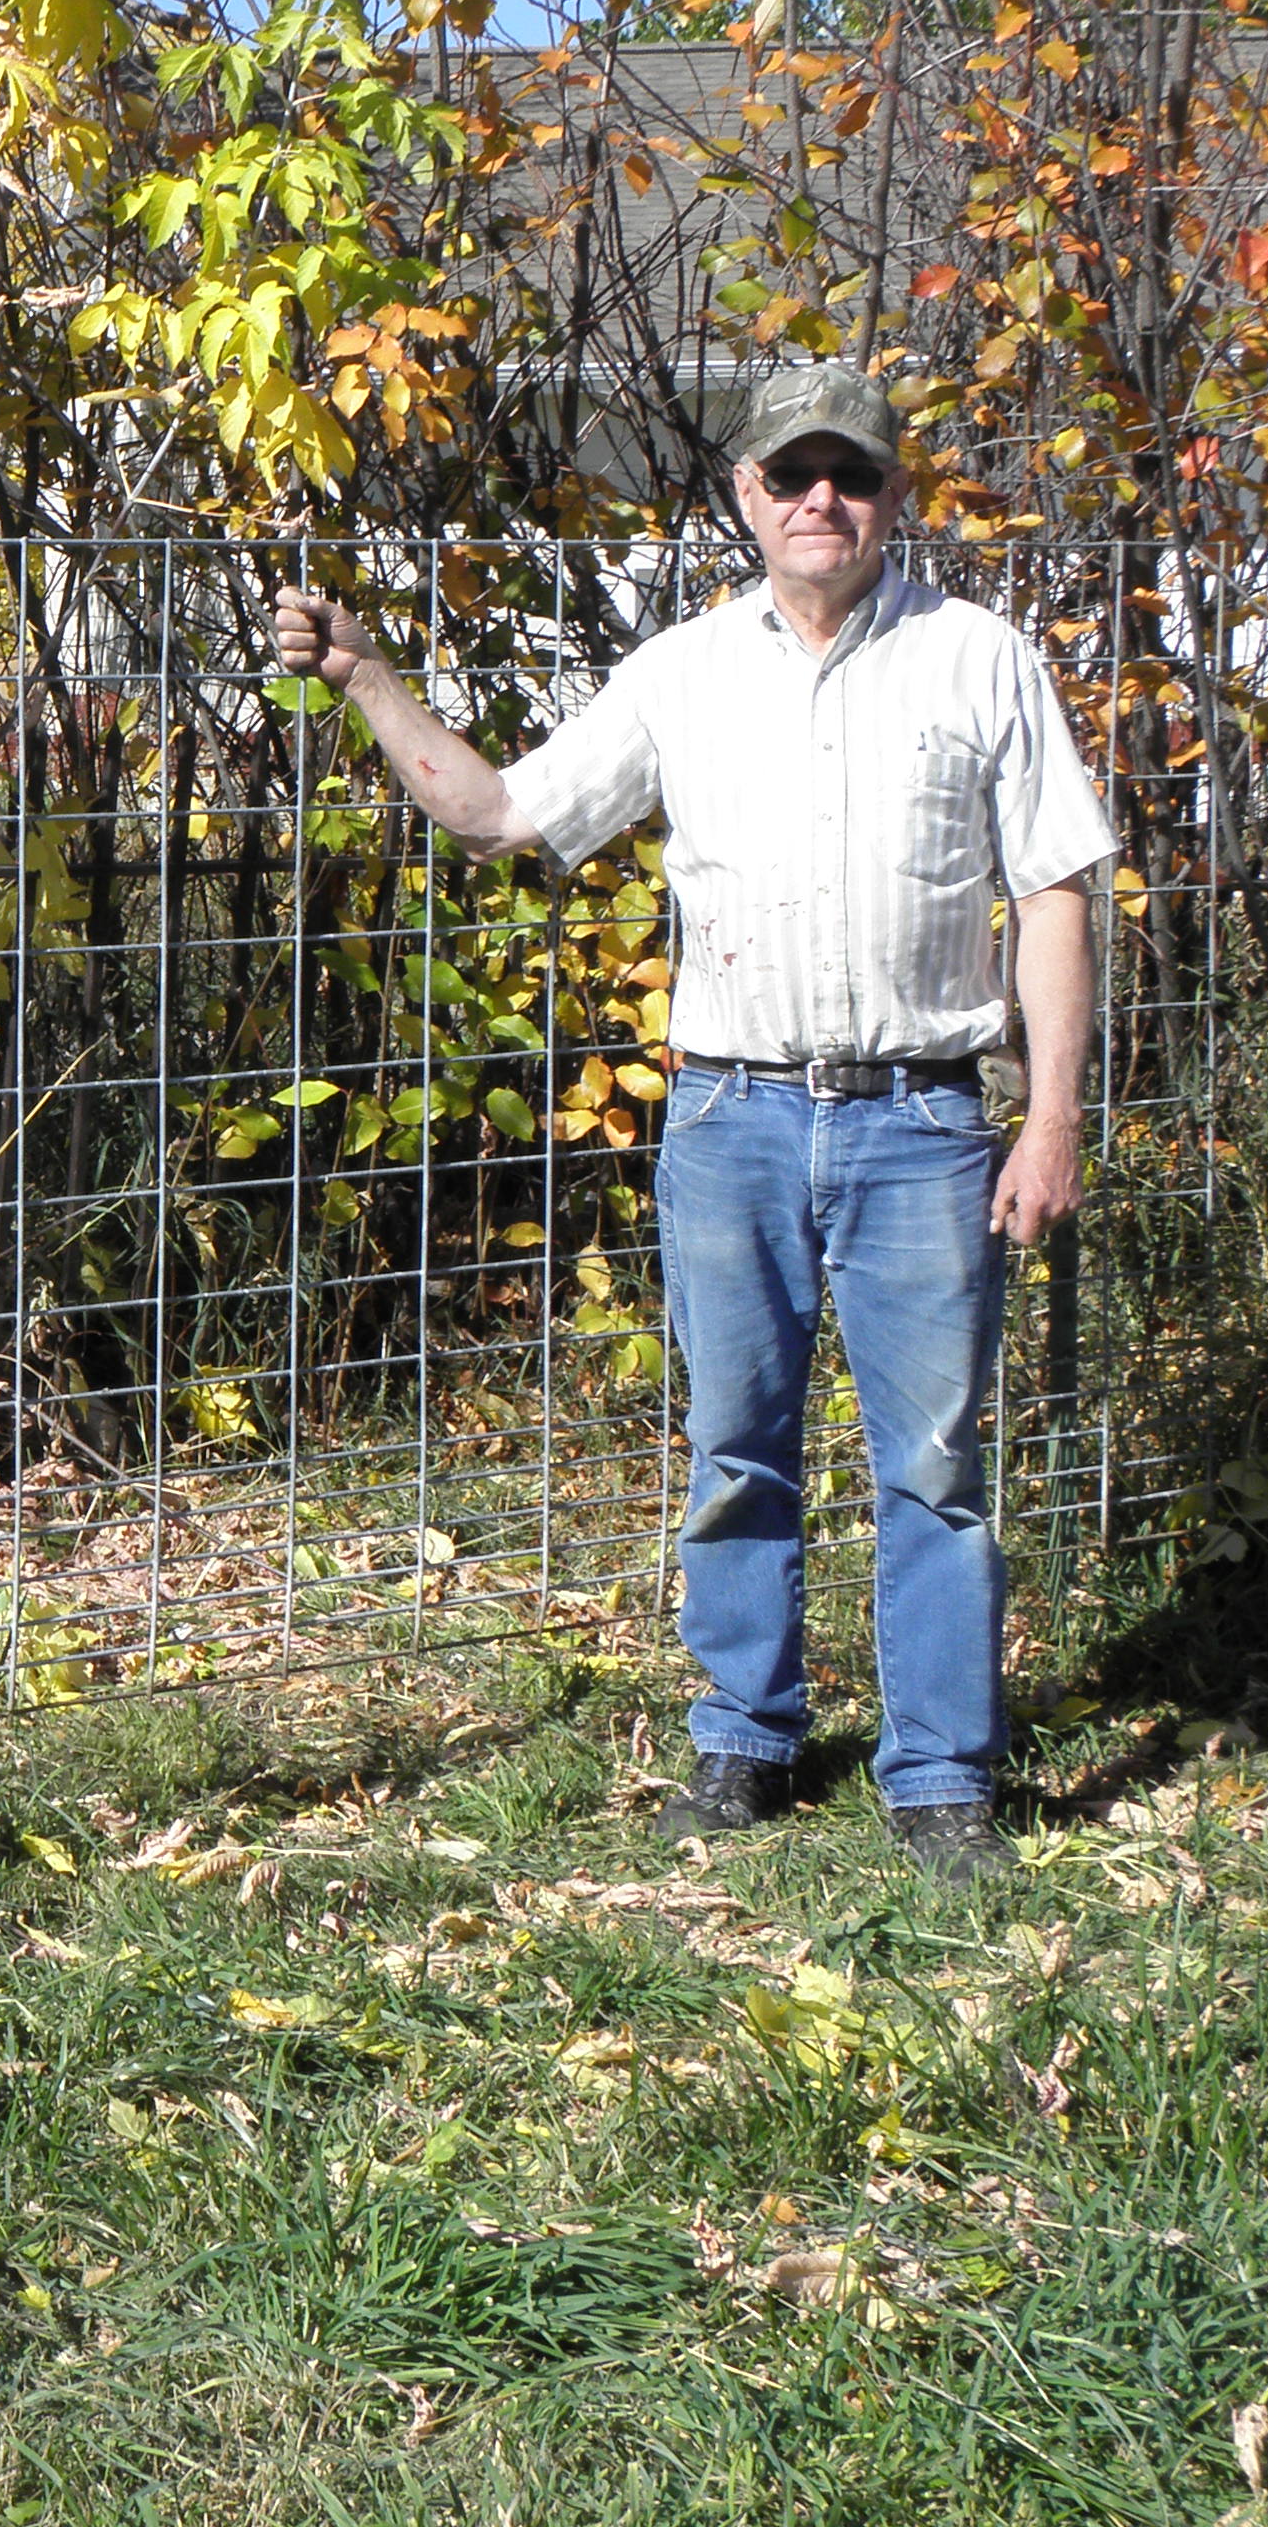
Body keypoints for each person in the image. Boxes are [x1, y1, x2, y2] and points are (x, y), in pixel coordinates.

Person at [268, 364, 1116, 1889]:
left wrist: (1050, 1115)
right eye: (791, 474)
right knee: (737, 1448)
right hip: (729, 1118)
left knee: (934, 1466)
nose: (820, 500)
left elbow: (1056, 887)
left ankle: (941, 1777)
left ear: (893, 493)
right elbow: (501, 815)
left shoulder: (979, 660)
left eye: (849, 473)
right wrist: (369, 680)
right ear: (745, 495)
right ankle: (745, 1740)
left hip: (923, 1123)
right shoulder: (683, 673)